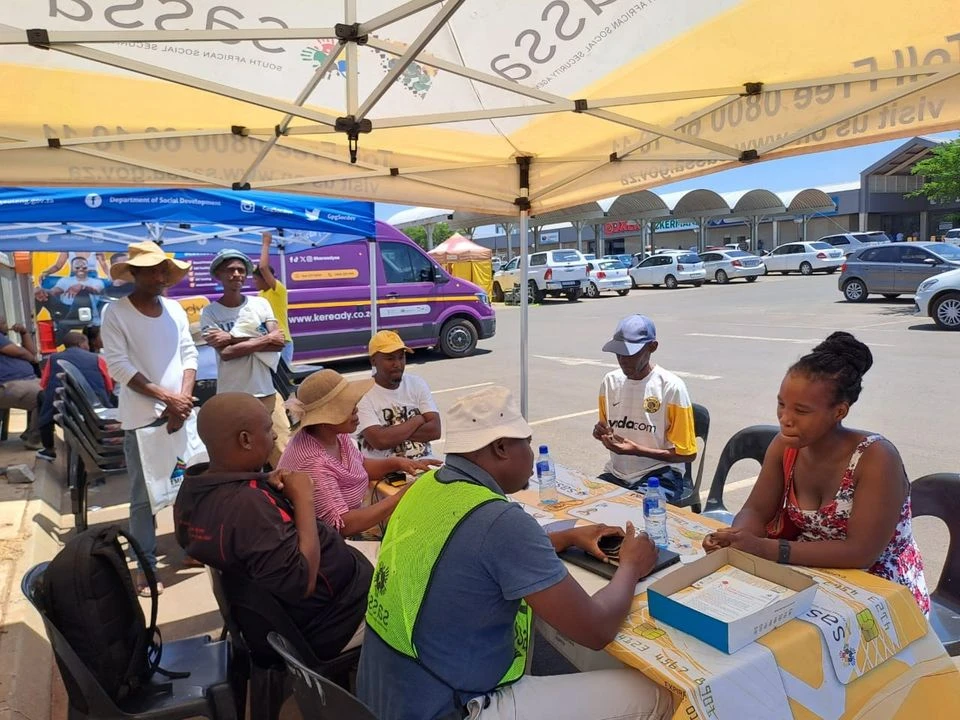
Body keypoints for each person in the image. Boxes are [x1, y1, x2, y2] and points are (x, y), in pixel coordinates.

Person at [357, 385, 672, 720]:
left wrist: (568, 537)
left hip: (385, 696)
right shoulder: (501, 522)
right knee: (657, 694)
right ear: (501, 447)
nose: (532, 455)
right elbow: (596, 630)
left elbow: (470, 549)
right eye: (527, 443)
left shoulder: (423, 487)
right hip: (449, 708)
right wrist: (631, 565)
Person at [703, 332, 930, 613]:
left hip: (879, 590)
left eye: (801, 411)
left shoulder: (876, 458)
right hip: (808, 571)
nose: (785, 419)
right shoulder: (785, 447)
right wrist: (737, 538)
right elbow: (756, 510)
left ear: (839, 412)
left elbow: (861, 552)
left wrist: (764, 549)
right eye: (781, 404)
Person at [173, 392, 375, 660]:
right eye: (269, 429)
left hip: (285, 615)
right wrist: (303, 498)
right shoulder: (249, 507)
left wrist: (262, 479)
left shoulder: (195, 488)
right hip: (337, 619)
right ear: (245, 440)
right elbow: (302, 582)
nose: (276, 436)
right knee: (418, 587)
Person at [101, 241, 198, 595]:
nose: (160, 277)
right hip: (143, 418)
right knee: (144, 498)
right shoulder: (115, 312)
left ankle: (191, 549)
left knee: (185, 486)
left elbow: (189, 353)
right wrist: (168, 399)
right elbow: (119, 366)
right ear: (134, 274)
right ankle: (145, 565)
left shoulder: (174, 309)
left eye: (163, 271)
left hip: (180, 414)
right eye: (153, 271)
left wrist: (182, 400)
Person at [278, 369, 440, 536]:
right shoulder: (314, 462)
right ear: (325, 419)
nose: (356, 409)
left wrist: (398, 463)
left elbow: (359, 465)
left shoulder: (335, 435)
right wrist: (401, 497)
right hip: (330, 541)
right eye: (348, 406)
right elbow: (344, 525)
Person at [592, 314, 697, 502]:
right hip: (617, 473)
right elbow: (608, 430)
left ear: (652, 347)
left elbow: (688, 454)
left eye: (631, 353)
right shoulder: (610, 382)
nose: (623, 360)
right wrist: (601, 433)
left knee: (635, 509)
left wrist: (637, 450)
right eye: (618, 353)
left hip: (660, 475)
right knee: (587, 505)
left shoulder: (671, 387)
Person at [200, 249, 289, 467]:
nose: (237, 274)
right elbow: (227, 354)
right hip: (233, 397)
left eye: (241, 270)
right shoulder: (210, 313)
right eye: (230, 270)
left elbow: (278, 342)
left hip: (265, 392)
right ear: (218, 275)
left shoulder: (260, 304)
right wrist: (264, 339)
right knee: (243, 456)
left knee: (281, 454)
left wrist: (231, 338)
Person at [358, 330, 441, 460]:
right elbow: (380, 441)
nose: (397, 364)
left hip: (427, 463)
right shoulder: (363, 394)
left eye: (401, 357)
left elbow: (435, 430)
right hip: (390, 470)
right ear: (373, 361)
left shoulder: (417, 383)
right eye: (390, 358)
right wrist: (418, 420)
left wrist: (388, 433)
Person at [36, 331, 114, 462]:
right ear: (80, 343)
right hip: (93, 407)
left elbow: (44, 384)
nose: (88, 346)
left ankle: (48, 449)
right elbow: (109, 386)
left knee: (43, 399)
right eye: (87, 343)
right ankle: (107, 443)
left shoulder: (53, 359)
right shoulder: (97, 359)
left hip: (63, 407)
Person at [253, 231, 294, 366]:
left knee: (282, 378)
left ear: (265, 278)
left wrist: (266, 243)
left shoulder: (278, 290)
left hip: (282, 342)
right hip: (269, 342)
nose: (254, 282)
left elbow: (263, 267)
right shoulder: (260, 295)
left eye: (255, 279)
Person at [0, 320, 42, 449]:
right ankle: (34, 439)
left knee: (54, 390)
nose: (7, 325)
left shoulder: (4, 339)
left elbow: (31, 351)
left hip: (24, 381)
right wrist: (32, 359)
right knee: (45, 396)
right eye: (3, 323)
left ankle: (30, 432)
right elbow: (22, 353)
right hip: (8, 385)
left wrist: (24, 333)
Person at [50, 257, 106, 322]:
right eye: (77, 267)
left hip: (88, 313)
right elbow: (55, 290)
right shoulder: (64, 280)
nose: (81, 269)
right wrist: (44, 292)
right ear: (72, 268)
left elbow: (97, 291)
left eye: (84, 267)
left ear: (88, 268)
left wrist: (82, 287)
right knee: (43, 295)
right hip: (67, 311)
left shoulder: (97, 282)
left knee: (83, 293)